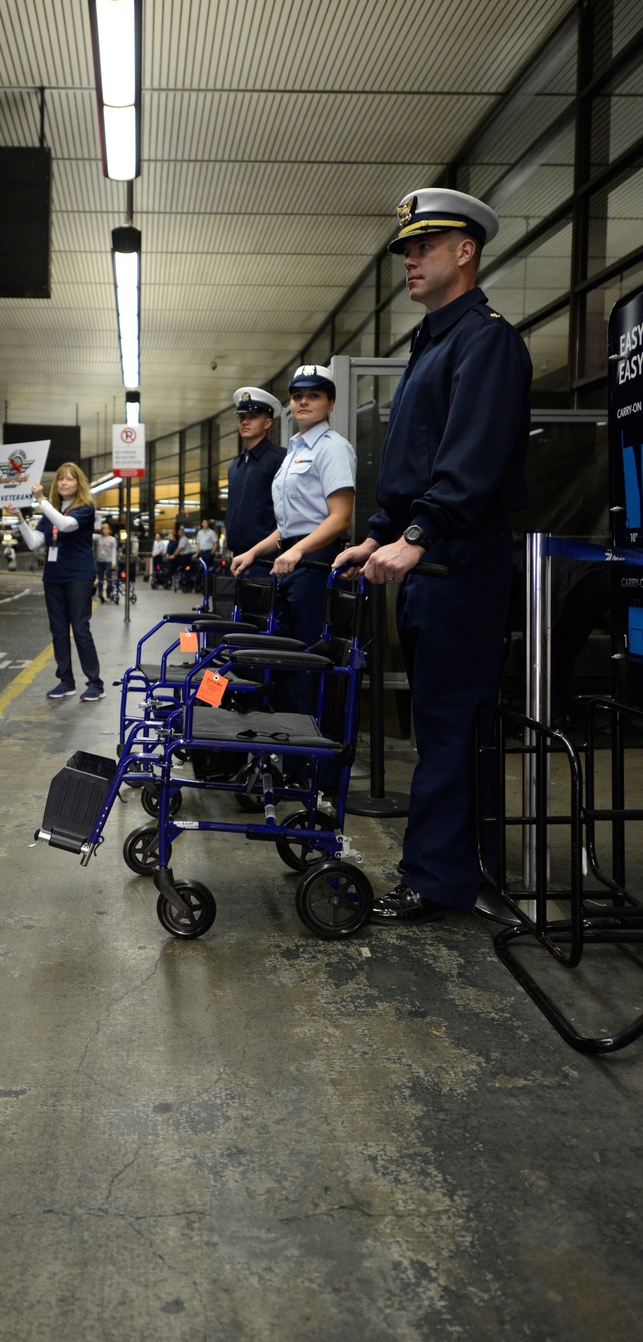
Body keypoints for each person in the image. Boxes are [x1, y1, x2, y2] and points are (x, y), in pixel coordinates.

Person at [334, 187, 532, 923]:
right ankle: (460, 864)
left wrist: (415, 537)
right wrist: (379, 532)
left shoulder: (487, 342)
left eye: (424, 246)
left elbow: (469, 465)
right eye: (406, 249)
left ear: (465, 251)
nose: (410, 259)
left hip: (458, 563)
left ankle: (437, 881)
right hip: (427, 563)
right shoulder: (432, 345)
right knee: (443, 724)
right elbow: (414, 465)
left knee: (448, 724)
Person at [231, 365, 356, 708]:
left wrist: (297, 552)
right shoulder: (295, 451)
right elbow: (288, 527)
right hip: (290, 565)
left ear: (330, 404)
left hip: (315, 567)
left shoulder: (332, 448)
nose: (303, 402)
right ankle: (287, 741)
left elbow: (340, 518)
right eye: (298, 396)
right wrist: (254, 552)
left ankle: (313, 749)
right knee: (284, 660)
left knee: (309, 660)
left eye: (313, 395)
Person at [5, 463, 104, 701]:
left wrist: (41, 501)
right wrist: (20, 518)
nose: (63, 483)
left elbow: (65, 525)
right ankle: (66, 682)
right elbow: (34, 542)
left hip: (78, 576)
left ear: (78, 484)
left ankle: (95, 684)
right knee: (58, 631)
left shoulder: (85, 508)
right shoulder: (51, 510)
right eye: (60, 479)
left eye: (69, 479)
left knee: (80, 629)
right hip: (53, 577)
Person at [224, 388, 286, 557]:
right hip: (238, 556)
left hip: (267, 557)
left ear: (268, 423)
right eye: (242, 417)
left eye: (252, 417)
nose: (245, 422)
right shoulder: (235, 466)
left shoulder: (280, 459)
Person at [93, 521, 118, 602]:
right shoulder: (98, 537)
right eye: (102, 529)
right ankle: (100, 595)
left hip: (108, 561)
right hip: (99, 561)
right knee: (100, 579)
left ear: (109, 530)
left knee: (109, 578)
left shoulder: (112, 539)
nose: (103, 530)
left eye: (105, 529)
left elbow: (114, 551)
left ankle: (108, 594)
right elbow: (90, 535)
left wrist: (114, 562)